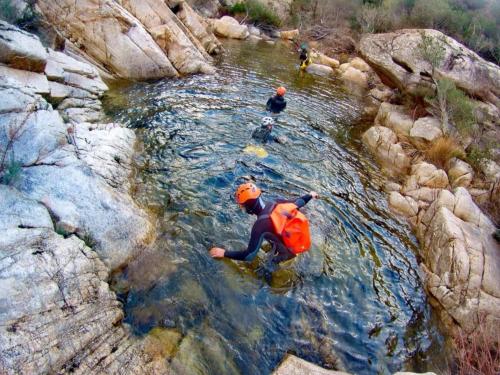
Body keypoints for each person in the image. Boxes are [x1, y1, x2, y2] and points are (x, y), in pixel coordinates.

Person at [209, 183, 319, 264]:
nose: (242, 208)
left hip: (287, 254)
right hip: (298, 242)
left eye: (242, 206)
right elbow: (298, 202)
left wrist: (224, 253)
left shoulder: (260, 226)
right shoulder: (276, 202)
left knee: (267, 266)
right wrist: (310, 195)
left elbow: (249, 256)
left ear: (249, 206)